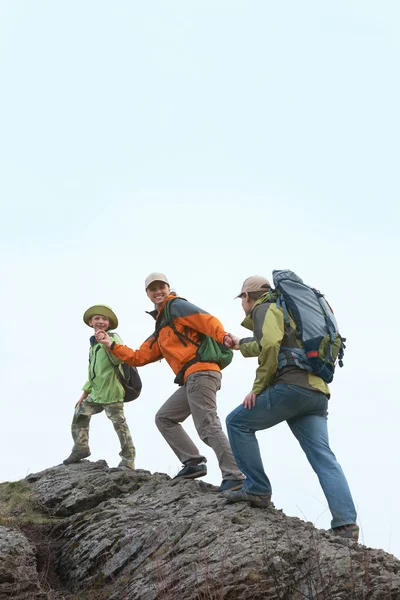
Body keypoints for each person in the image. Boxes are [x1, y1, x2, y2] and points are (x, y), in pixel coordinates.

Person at [223, 275, 359, 541]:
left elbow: (271, 344)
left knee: (237, 422)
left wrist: (258, 387)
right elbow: (273, 342)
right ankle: (346, 524)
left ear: (247, 297)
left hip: (291, 389)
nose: (243, 304)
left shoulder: (264, 308)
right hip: (316, 393)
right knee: (324, 458)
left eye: (242, 299)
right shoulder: (287, 311)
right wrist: (239, 343)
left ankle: (257, 488)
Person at [95, 273, 244, 492]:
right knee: (164, 418)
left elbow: (206, 320)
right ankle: (193, 462)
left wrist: (223, 337)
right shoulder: (162, 326)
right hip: (190, 379)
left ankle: (235, 476)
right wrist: (110, 344)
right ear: (147, 294)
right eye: (152, 289)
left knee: (207, 425)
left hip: (202, 373)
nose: (158, 292)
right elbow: (139, 357)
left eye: (161, 287)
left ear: (168, 287)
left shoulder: (176, 306)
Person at [63, 304, 136, 469]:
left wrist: (108, 343)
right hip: (96, 393)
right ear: (91, 322)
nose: (101, 321)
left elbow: (120, 359)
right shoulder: (93, 345)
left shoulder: (114, 338)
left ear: (109, 324)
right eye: (97, 318)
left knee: (120, 425)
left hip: (112, 392)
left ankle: (128, 459)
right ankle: (81, 448)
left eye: (104, 319)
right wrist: (84, 394)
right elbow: (92, 373)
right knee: (80, 412)